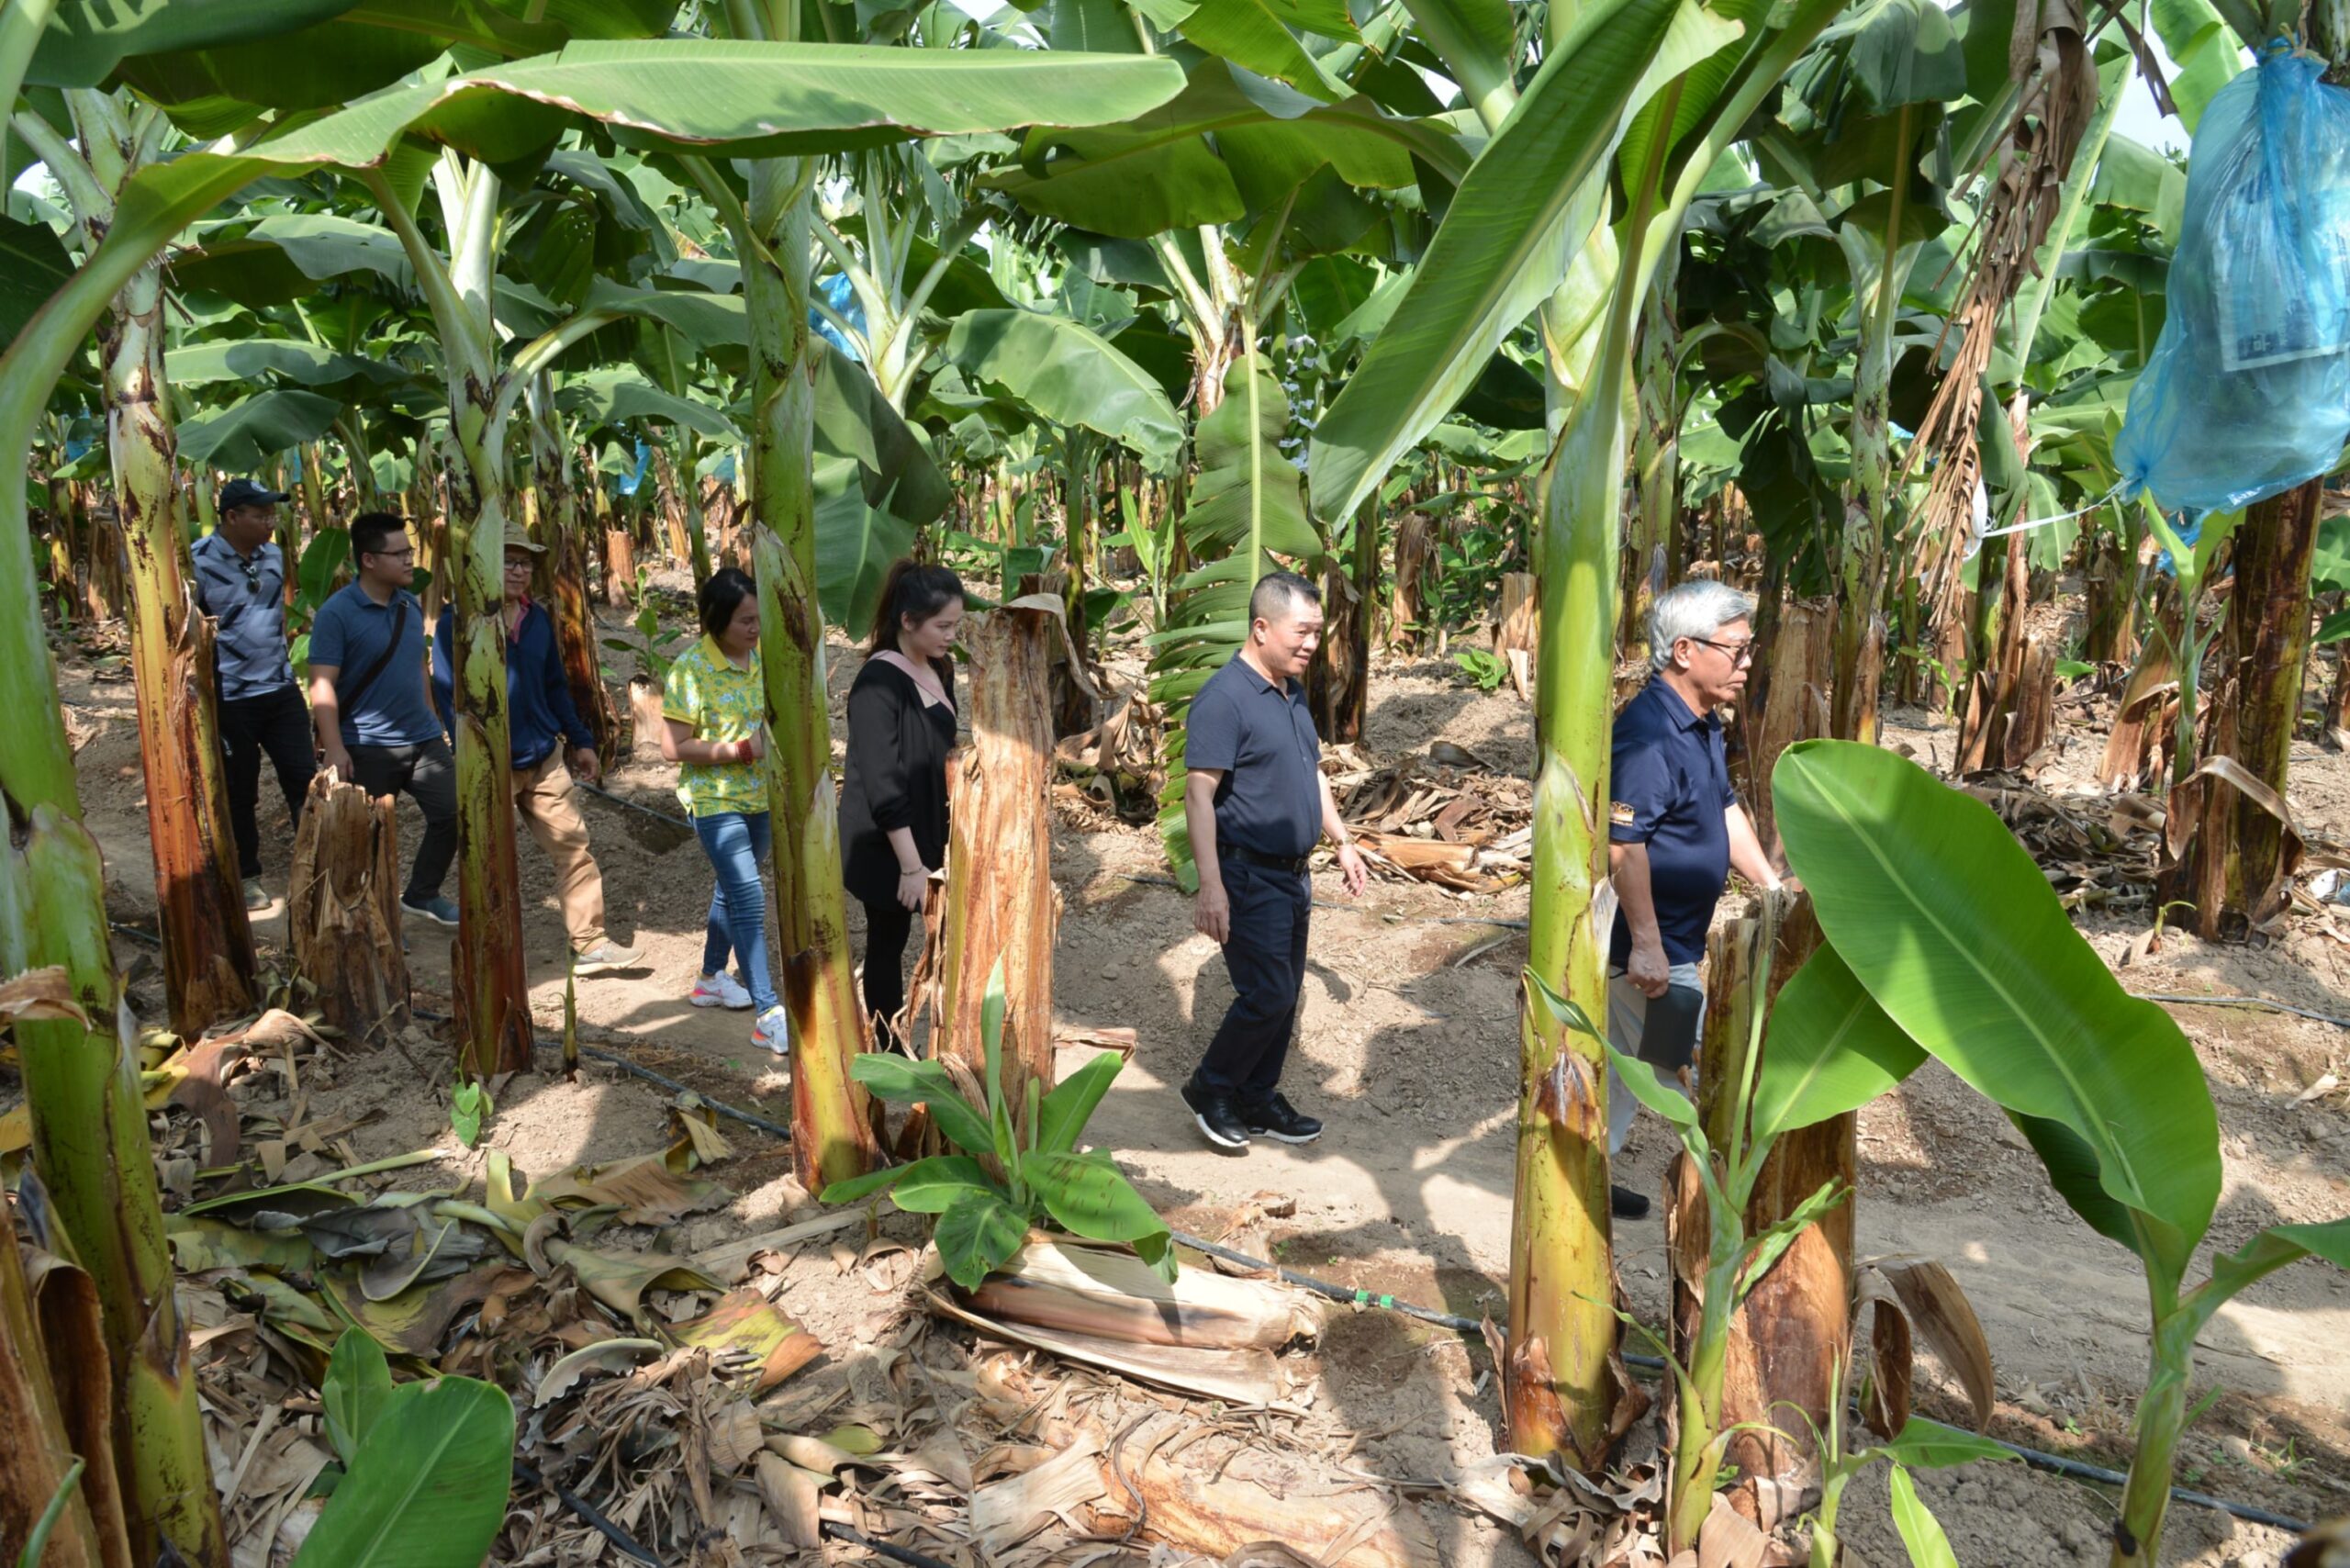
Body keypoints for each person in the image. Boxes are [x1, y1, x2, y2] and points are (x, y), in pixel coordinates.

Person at [1605, 578, 1786, 1219]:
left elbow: (1724, 809)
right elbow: (1624, 847)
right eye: (1736, 649)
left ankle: (1586, 1171)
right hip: (1650, 957)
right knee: (1695, 1071)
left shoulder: (1700, 721)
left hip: (1675, 943)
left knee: (1622, 1066)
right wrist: (1647, 947)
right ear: (1685, 651)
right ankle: (1726, 1204)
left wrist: (1770, 887)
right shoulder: (1649, 737)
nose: (1747, 663)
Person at [1179, 571, 1368, 1151]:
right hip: (1247, 873)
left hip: (1293, 875)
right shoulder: (1224, 699)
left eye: (1317, 632)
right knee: (1269, 995)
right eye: (1301, 632)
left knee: (1283, 995)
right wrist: (1211, 885)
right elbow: (1198, 796)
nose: (1312, 644)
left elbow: (1312, 773)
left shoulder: (1291, 691)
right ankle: (1211, 1088)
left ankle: (1257, 1097)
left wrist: (1341, 840)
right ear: (1261, 628)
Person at [431, 537, 643, 975]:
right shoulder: (458, 621)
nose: (519, 571)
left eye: (525, 564)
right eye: (508, 561)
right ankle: (489, 950)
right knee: (487, 857)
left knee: (573, 847)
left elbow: (554, 686)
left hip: (543, 756)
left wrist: (581, 740)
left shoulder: (537, 619)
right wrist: (474, 754)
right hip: (489, 762)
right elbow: (448, 694)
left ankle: (590, 943)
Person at [308, 511, 460, 926]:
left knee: (454, 812)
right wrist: (334, 747)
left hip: (423, 739)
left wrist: (434, 721)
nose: (410, 560)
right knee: (368, 836)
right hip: (367, 744)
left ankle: (422, 893)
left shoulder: (409, 605)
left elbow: (418, 666)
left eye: (410, 551)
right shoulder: (337, 614)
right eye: (400, 554)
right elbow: (321, 684)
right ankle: (375, 919)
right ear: (369, 560)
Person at [661, 567, 788, 1055]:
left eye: (759, 619)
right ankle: (768, 1014)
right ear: (717, 620)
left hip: (761, 797)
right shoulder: (691, 670)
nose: (756, 629)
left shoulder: (765, 658)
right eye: (745, 621)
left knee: (732, 889)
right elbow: (673, 747)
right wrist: (741, 750)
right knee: (749, 897)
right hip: (715, 800)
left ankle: (711, 979)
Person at [838, 561, 964, 1052]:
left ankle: (946, 1042)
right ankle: (888, 1051)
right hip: (886, 844)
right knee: (887, 944)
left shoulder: (940, 669)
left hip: (930, 828)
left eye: (955, 625)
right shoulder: (876, 685)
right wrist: (911, 867)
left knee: (946, 941)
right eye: (943, 626)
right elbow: (882, 782)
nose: (951, 636)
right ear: (907, 621)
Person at [192, 477, 315, 911]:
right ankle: (247, 876)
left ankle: (317, 866)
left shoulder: (273, 555)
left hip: (280, 689)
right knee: (239, 790)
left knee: (305, 780)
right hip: (230, 696)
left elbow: (275, 615)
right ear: (232, 517)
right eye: (261, 515)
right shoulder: (197, 561)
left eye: (272, 514)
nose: (271, 522)